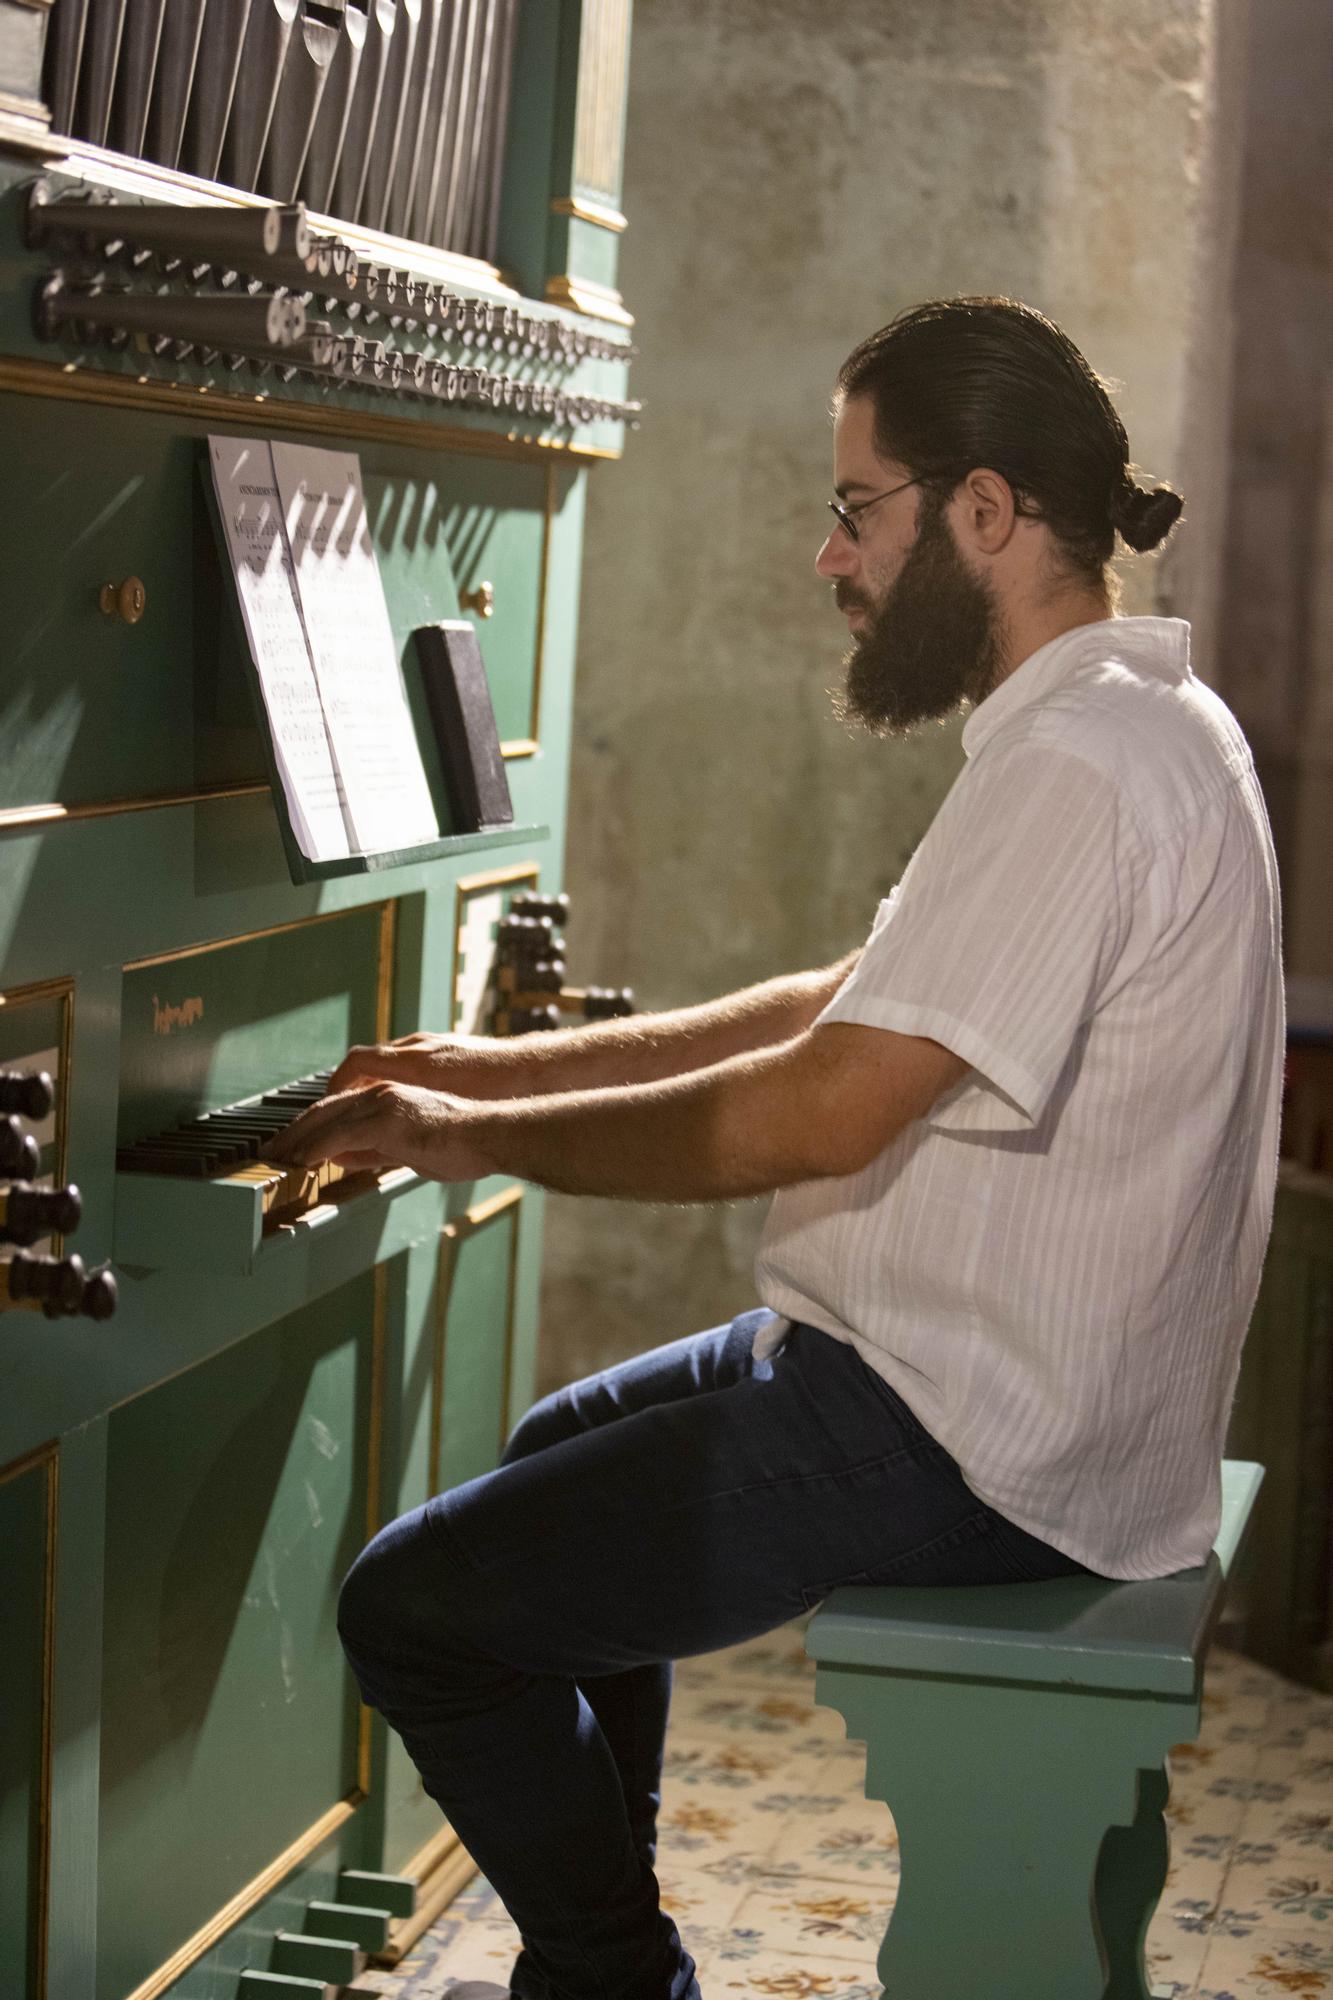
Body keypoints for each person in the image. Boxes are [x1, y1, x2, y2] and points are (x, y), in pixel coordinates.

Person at [269, 297, 1284, 2000]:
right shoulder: (1114, 723)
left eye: (854, 508)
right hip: (961, 1376)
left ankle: (605, 1975)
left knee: (410, 1609)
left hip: (982, 1436)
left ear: (980, 510)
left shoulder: (1086, 763)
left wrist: (464, 1144)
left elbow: (820, 1106)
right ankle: (615, 1927)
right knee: (545, 1448)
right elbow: (842, 1004)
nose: (832, 558)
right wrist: (490, 1074)